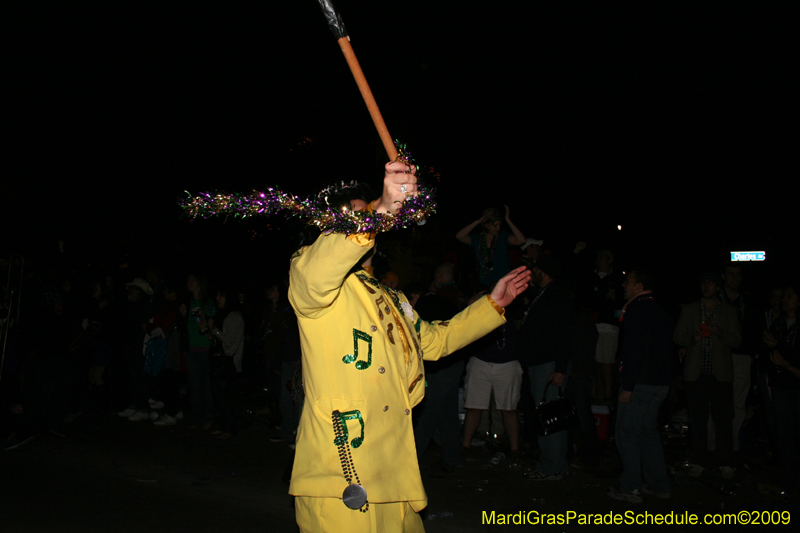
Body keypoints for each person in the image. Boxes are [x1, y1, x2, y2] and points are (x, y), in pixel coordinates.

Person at [288, 160, 531, 532]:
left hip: (396, 474)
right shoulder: (310, 275)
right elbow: (319, 269)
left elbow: (434, 342)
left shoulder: (392, 296)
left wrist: (493, 305)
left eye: (368, 215)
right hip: (341, 475)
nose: (365, 221)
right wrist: (381, 208)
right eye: (355, 216)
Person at [607, 269, 674, 503]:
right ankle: (660, 485)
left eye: (628, 282)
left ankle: (630, 487)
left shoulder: (637, 309)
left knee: (627, 433)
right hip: (659, 382)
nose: (624, 285)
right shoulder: (660, 310)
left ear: (639, 286)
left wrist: (628, 385)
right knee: (647, 432)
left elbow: (634, 349)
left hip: (640, 383)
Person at [673, 273, 741, 479]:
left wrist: (720, 332)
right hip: (696, 373)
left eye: (710, 283)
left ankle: (725, 461)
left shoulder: (729, 311)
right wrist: (692, 339)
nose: (706, 286)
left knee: (723, 419)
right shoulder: (690, 309)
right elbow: (677, 336)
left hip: (720, 374)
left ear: (718, 287)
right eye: (703, 283)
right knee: (698, 419)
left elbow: (737, 340)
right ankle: (698, 460)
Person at [516, 255, 573, 481]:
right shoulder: (544, 294)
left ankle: (551, 467)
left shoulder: (556, 296)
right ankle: (556, 464)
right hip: (540, 363)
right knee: (551, 415)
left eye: (537, 269)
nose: (534, 273)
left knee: (548, 416)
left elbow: (564, 333)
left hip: (547, 365)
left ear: (544, 271)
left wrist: (560, 368)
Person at [762, 283, 799, 493]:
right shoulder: (778, 324)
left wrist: (778, 347)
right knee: (783, 432)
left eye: (790, 296)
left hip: (796, 384)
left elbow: (793, 354)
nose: (785, 300)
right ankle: (786, 478)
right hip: (780, 385)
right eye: (784, 296)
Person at [455, 205, 526, 288]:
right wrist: (478, 221)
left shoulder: (503, 236)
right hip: (485, 283)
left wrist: (508, 220)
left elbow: (521, 240)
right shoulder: (477, 238)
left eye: (499, 225)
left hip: (504, 281)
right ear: (487, 225)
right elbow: (459, 236)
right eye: (495, 225)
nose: (498, 228)